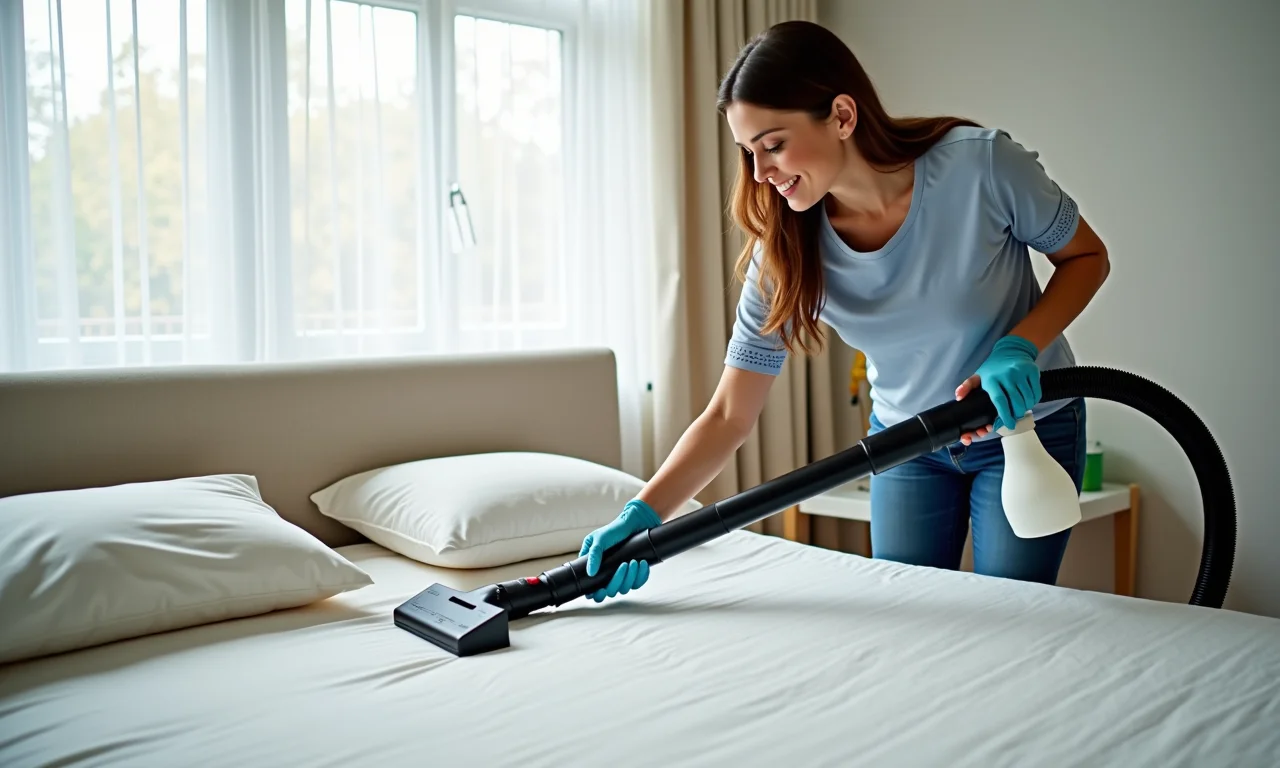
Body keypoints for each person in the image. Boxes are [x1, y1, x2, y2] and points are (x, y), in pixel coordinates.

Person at [577, 20, 1109, 602]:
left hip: (1023, 427)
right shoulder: (782, 251)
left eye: (774, 145)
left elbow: (1087, 256)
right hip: (908, 444)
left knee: (1016, 617)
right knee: (911, 624)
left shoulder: (981, 168)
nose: (761, 174)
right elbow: (731, 413)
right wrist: (644, 512)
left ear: (843, 116)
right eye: (748, 153)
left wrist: (1020, 345)